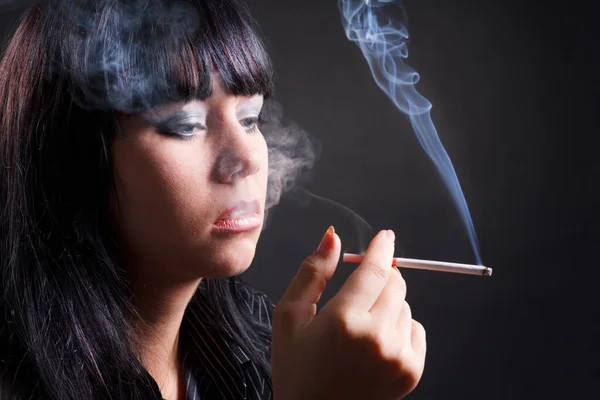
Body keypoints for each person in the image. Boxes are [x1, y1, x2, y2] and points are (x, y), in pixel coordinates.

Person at [0, 0, 426, 399]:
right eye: (186, 125)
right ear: (75, 157)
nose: (246, 159)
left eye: (251, 119)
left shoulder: (260, 341)